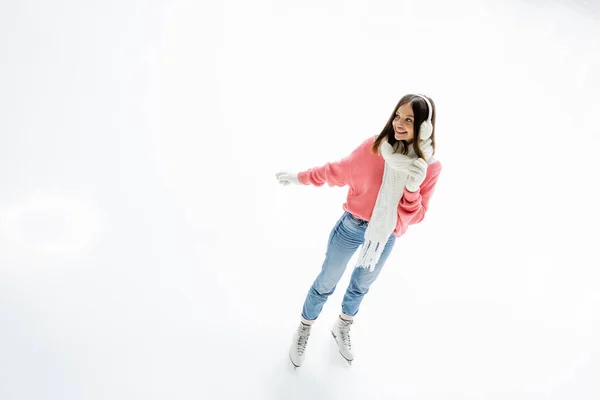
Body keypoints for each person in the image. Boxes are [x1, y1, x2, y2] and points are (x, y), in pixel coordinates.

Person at [276, 93, 442, 368]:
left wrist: (412, 188)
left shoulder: (429, 167)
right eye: (397, 116)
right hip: (351, 227)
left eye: (409, 120)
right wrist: (299, 178)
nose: (399, 124)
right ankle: (304, 328)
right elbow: (336, 171)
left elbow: (417, 215)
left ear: (425, 127)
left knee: (360, 286)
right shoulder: (374, 148)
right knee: (326, 282)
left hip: (384, 236)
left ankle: (342, 326)